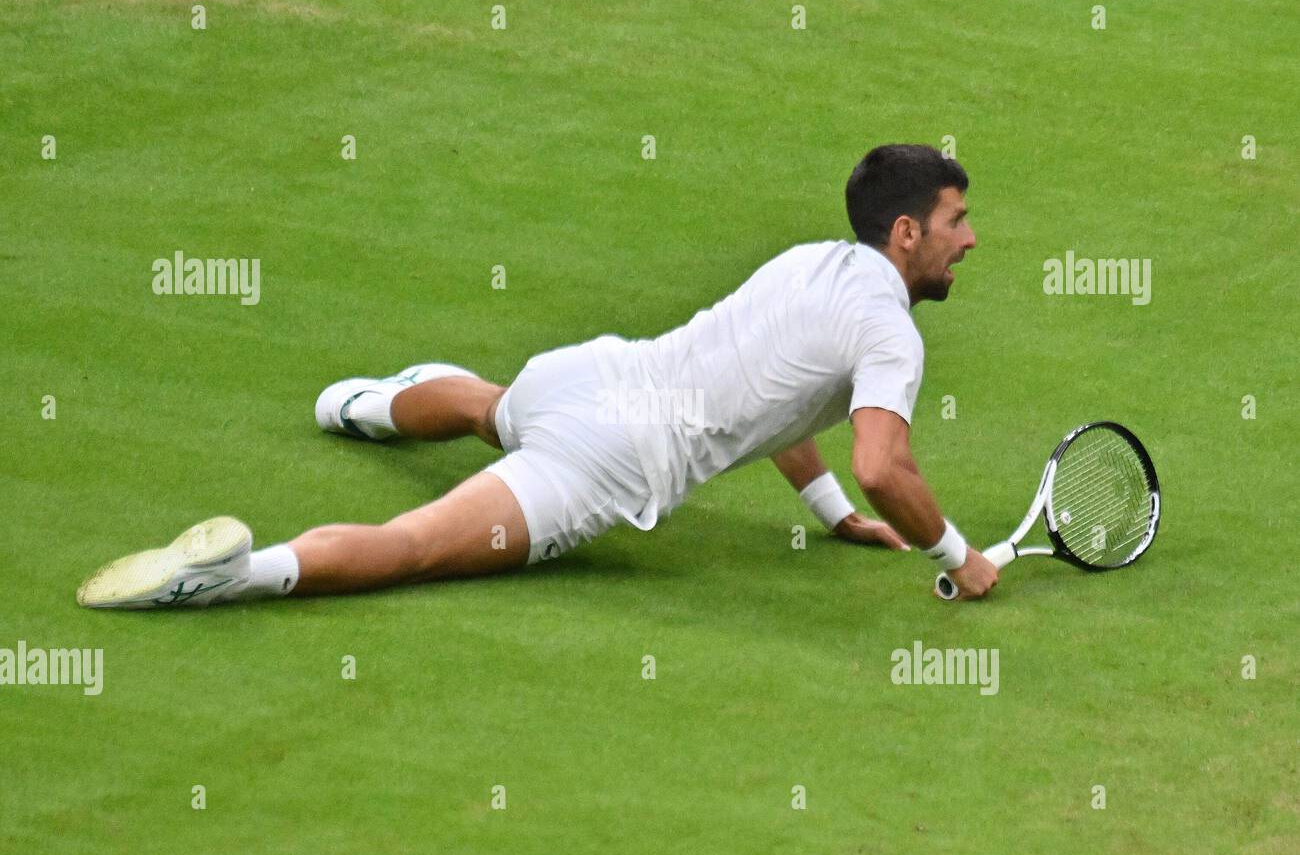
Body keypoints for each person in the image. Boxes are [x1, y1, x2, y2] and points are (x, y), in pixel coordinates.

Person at [76, 144, 999, 609]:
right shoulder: (889, 331)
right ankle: (226, 577)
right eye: (955, 220)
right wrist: (960, 560)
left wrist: (830, 513)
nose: (968, 239)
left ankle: (356, 405)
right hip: (603, 465)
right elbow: (887, 463)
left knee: (489, 410)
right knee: (413, 548)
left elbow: (769, 399)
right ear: (906, 232)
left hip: (588, 375)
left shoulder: (811, 263)